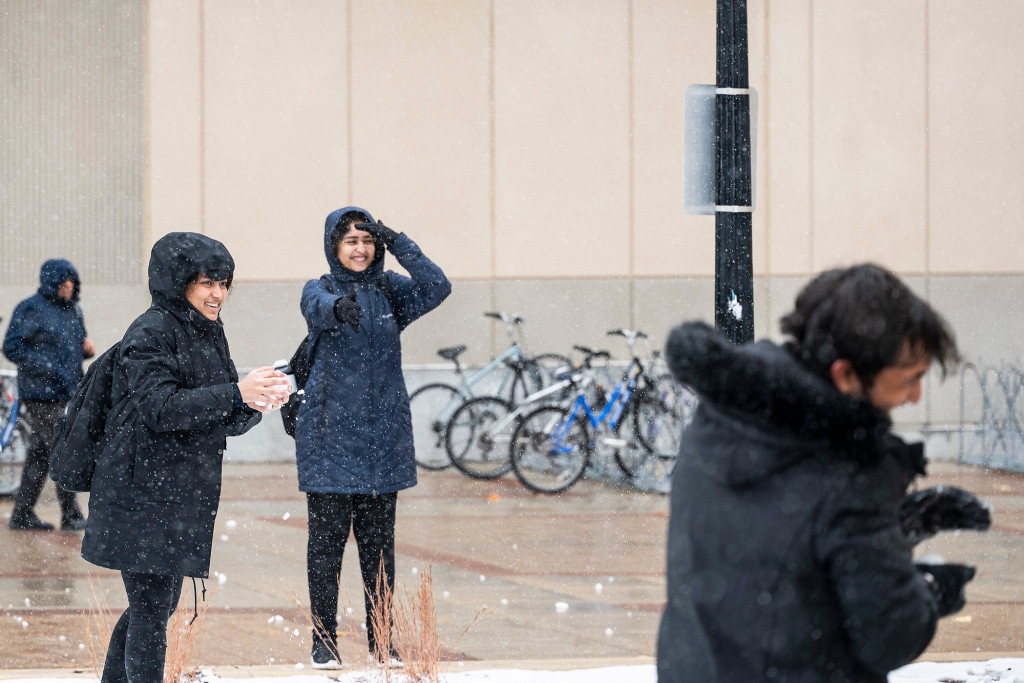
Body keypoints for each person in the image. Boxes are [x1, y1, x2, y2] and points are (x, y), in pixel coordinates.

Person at [656, 263, 990, 683]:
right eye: (909, 379)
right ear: (846, 374)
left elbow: (777, 547)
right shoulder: (848, 469)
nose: (915, 396)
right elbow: (889, 634)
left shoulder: (721, 420)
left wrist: (896, 525)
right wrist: (931, 589)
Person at [81, 232, 291, 683]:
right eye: (207, 283)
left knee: (152, 607)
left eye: (224, 283)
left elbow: (218, 417)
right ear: (179, 283)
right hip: (139, 491)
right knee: (152, 610)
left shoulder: (208, 332)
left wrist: (255, 403)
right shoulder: (150, 331)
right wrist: (236, 392)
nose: (218, 294)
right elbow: (161, 409)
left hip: (177, 494)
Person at [296, 206, 450, 670]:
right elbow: (315, 308)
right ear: (334, 247)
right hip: (329, 438)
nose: (359, 249)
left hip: (382, 439)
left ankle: (382, 641)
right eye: (350, 241)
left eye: (367, 240)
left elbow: (437, 286)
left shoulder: (390, 290)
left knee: (379, 553)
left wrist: (399, 240)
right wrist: (337, 308)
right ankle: (324, 639)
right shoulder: (319, 288)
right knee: (325, 549)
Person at [3, 258, 96, 531]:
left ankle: (22, 514)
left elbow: (73, 349)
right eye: (63, 283)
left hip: (65, 391)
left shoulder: (73, 311)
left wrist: (86, 351)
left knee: (41, 453)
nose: (68, 288)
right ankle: (71, 515)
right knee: (61, 449)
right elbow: (11, 346)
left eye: (71, 283)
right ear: (51, 282)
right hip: (39, 393)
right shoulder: (31, 308)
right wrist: (45, 367)